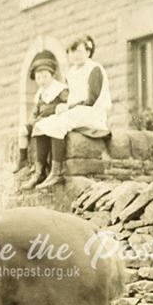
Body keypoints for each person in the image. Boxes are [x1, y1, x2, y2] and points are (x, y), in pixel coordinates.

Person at [31, 35, 112, 189]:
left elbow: (91, 99)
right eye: (72, 52)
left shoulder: (94, 68)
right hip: (77, 111)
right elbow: (72, 97)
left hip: (92, 112)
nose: (76, 55)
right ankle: (40, 172)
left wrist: (68, 107)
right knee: (42, 124)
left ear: (88, 52)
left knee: (59, 123)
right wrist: (65, 106)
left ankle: (58, 173)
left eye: (79, 51)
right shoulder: (71, 72)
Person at [19, 55, 68, 190]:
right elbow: (35, 110)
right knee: (38, 127)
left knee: (48, 126)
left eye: (45, 77)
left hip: (58, 119)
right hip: (44, 121)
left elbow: (67, 103)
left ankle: (56, 171)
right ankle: (39, 171)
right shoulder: (41, 93)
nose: (42, 81)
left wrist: (62, 107)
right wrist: (32, 121)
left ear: (52, 75)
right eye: (38, 78)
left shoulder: (60, 89)